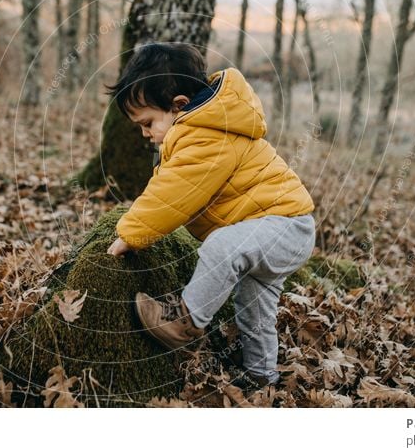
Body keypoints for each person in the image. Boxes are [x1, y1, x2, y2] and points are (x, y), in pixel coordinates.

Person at [104, 42, 316, 390]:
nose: (145, 134)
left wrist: (129, 234)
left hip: (284, 226)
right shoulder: (202, 130)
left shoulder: (207, 136)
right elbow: (167, 184)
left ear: (179, 106)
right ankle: (262, 377)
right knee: (254, 312)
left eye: (148, 123)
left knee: (222, 245)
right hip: (275, 229)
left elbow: (172, 193)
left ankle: (185, 322)